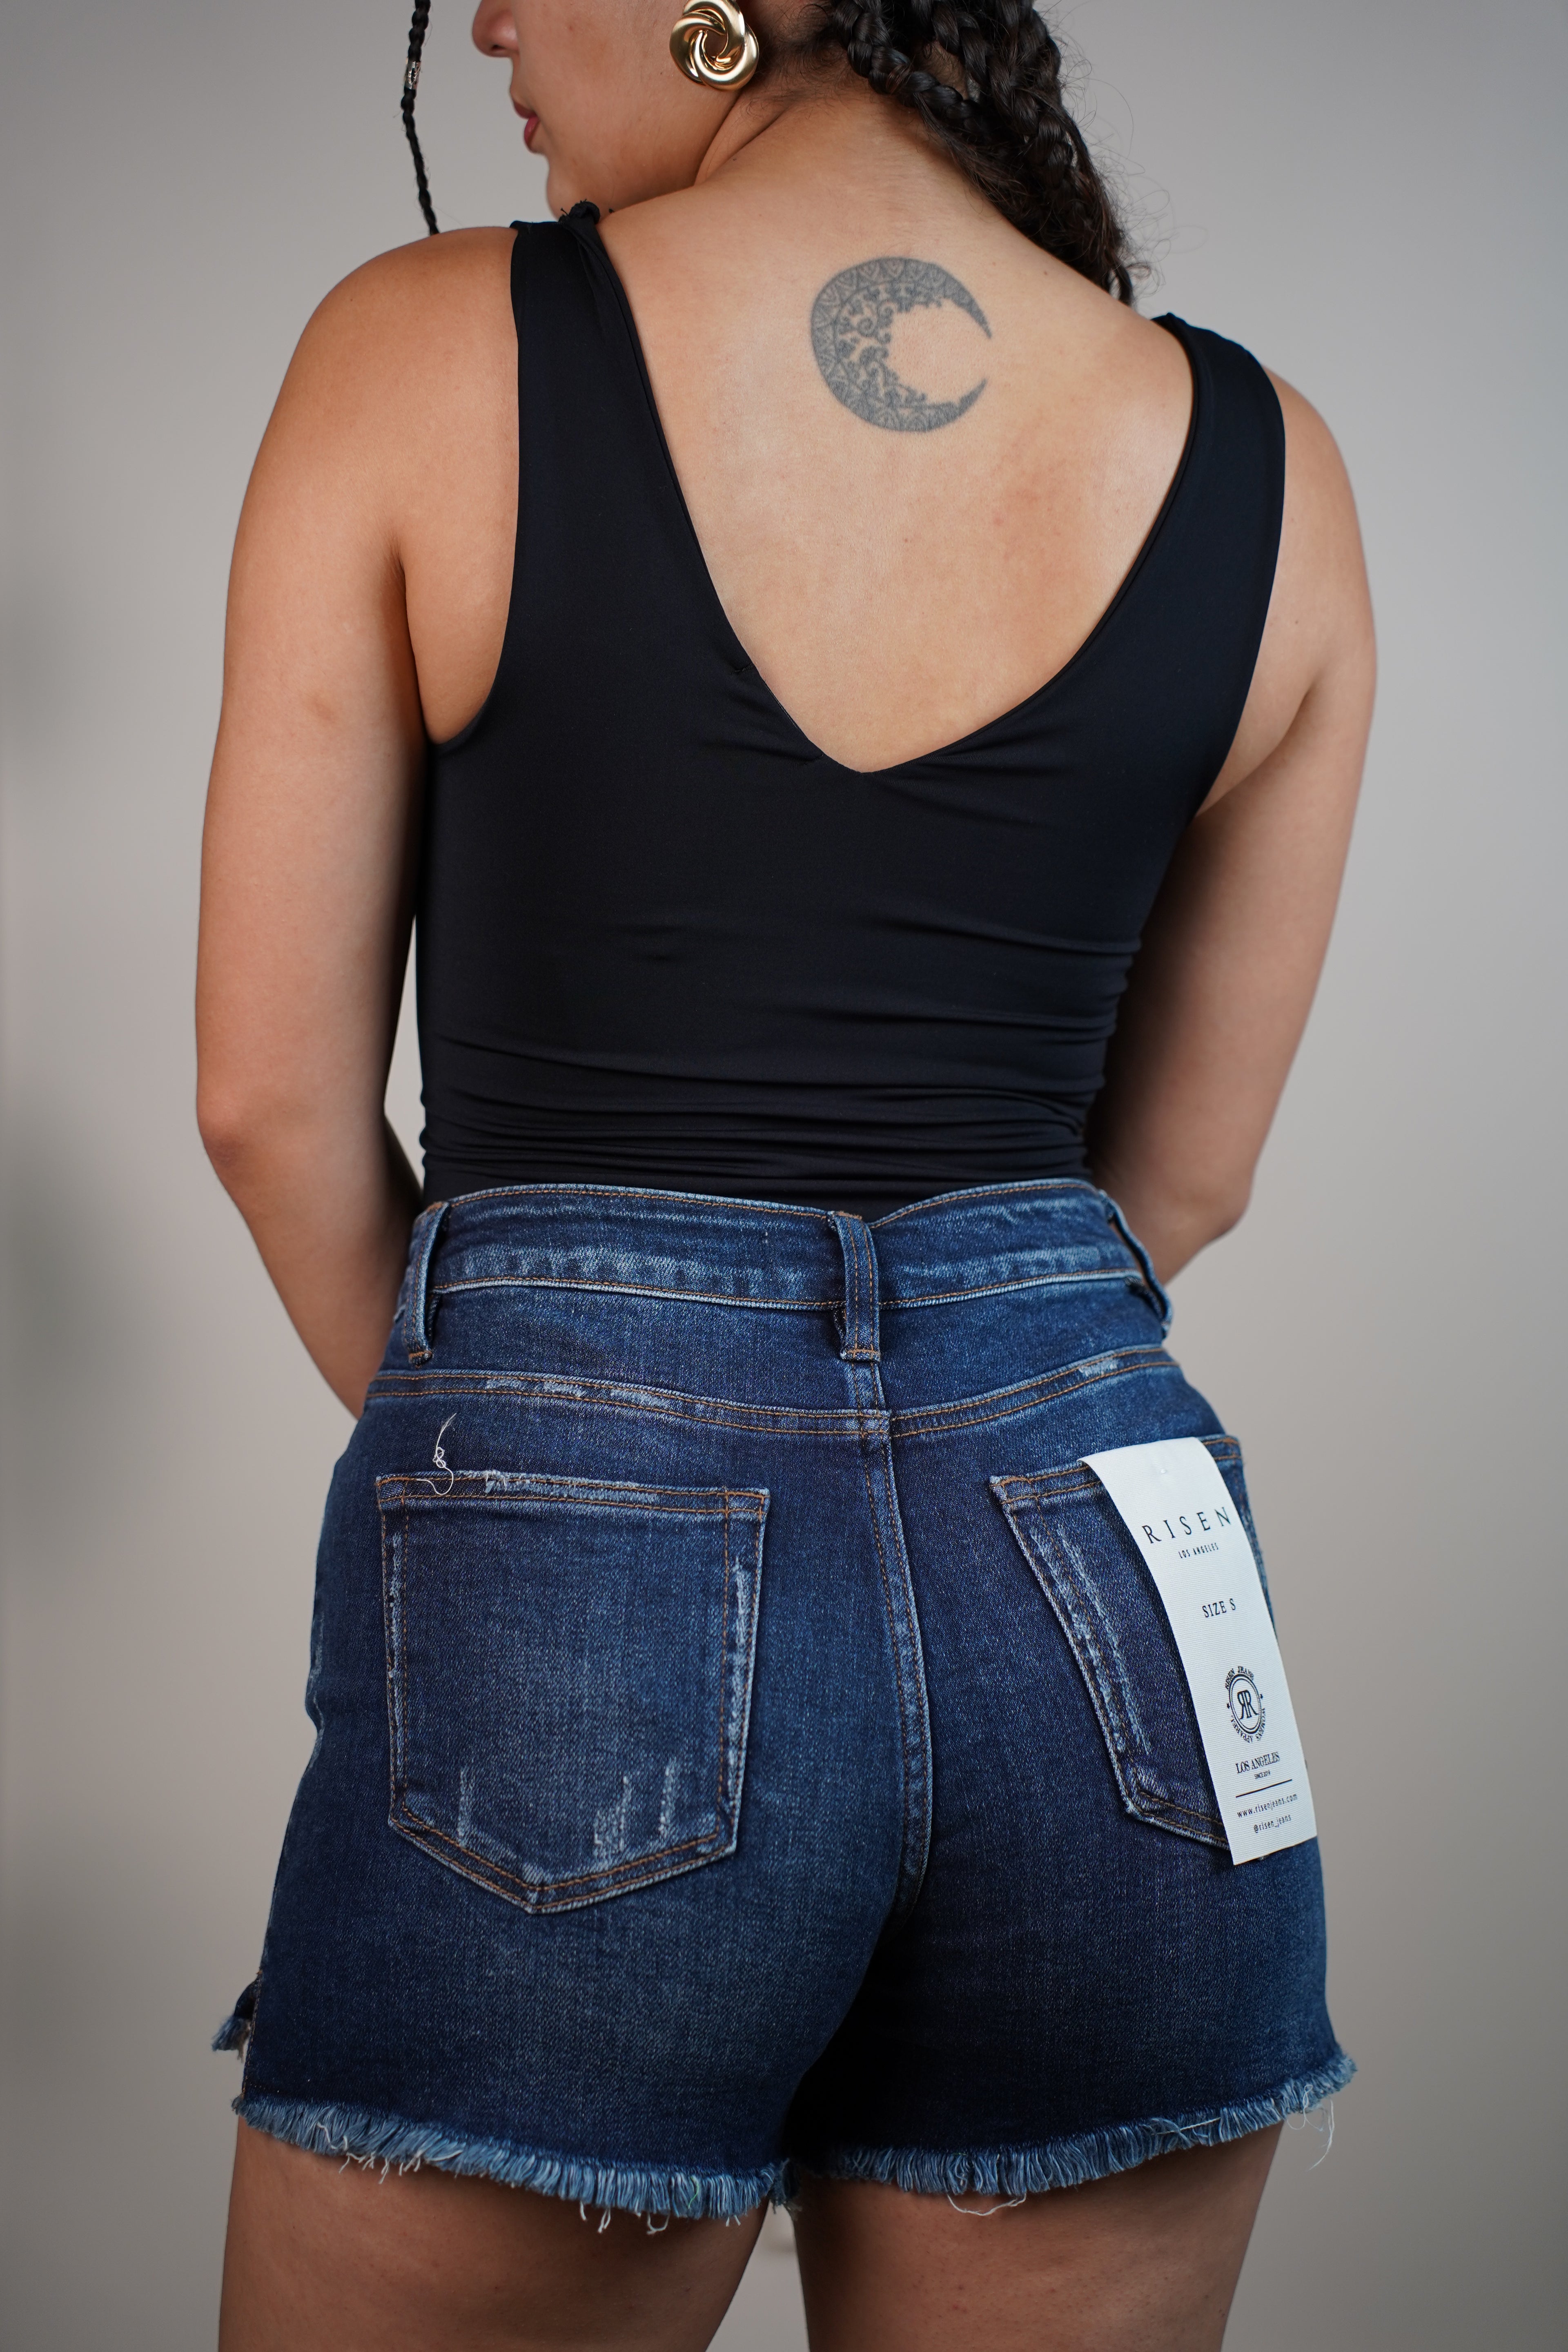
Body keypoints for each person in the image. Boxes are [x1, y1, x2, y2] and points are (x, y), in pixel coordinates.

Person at [196, 1, 1374, 2343]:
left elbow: (273, 1109)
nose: (489, 22)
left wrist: (556, 1453)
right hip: (1103, 1572)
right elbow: (1187, 1178)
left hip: (579, 1552)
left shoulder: (423, 346)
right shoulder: (1269, 459)